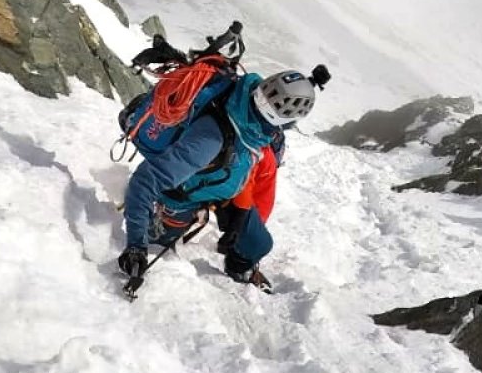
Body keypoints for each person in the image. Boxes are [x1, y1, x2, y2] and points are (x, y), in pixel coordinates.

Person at [118, 66, 327, 290]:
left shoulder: (250, 118)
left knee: (259, 243)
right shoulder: (210, 140)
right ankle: (156, 217)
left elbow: (243, 164)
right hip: (181, 197)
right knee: (157, 242)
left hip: (220, 189)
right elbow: (145, 181)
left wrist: (240, 216)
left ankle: (238, 268)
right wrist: (136, 246)